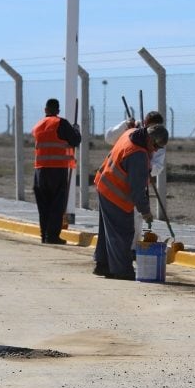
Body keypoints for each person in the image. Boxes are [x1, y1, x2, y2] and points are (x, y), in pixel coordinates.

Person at [93, 124, 169, 280]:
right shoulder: (138, 155)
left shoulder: (131, 132)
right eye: (155, 146)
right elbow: (137, 190)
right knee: (122, 232)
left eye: (158, 148)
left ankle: (103, 265)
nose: (155, 150)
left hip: (105, 184)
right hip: (115, 193)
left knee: (107, 231)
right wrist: (146, 211)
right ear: (149, 138)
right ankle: (122, 270)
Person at [105, 110, 167, 250]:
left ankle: (132, 249)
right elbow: (109, 138)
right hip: (118, 183)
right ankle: (120, 250)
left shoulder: (159, 140)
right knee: (120, 219)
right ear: (145, 124)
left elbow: (158, 166)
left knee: (137, 217)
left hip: (138, 182)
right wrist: (124, 125)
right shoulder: (131, 131)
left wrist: (145, 168)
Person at [31, 98, 81, 245]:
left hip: (40, 170)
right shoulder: (61, 123)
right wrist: (76, 129)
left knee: (43, 205)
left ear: (45, 110)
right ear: (58, 111)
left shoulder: (38, 125)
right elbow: (75, 140)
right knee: (56, 204)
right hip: (57, 169)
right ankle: (52, 236)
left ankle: (44, 235)